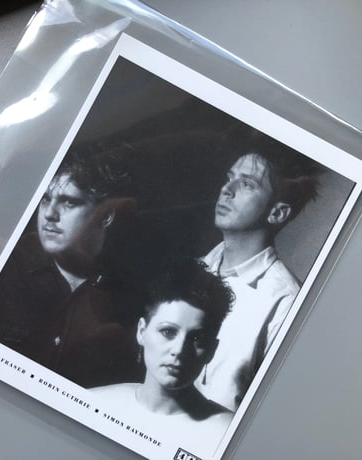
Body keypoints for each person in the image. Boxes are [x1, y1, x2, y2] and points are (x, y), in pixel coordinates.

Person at [0, 144, 141, 386]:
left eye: (69, 202)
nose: (49, 214)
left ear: (105, 216)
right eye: (45, 199)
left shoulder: (128, 300)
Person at [196, 127, 323, 410]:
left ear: (277, 213)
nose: (226, 190)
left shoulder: (286, 303)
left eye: (247, 184)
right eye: (229, 178)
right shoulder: (194, 270)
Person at [93, 259, 234, 457]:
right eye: (168, 331)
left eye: (197, 338)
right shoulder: (96, 401)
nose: (179, 350)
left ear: (211, 350)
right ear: (141, 332)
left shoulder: (226, 434)